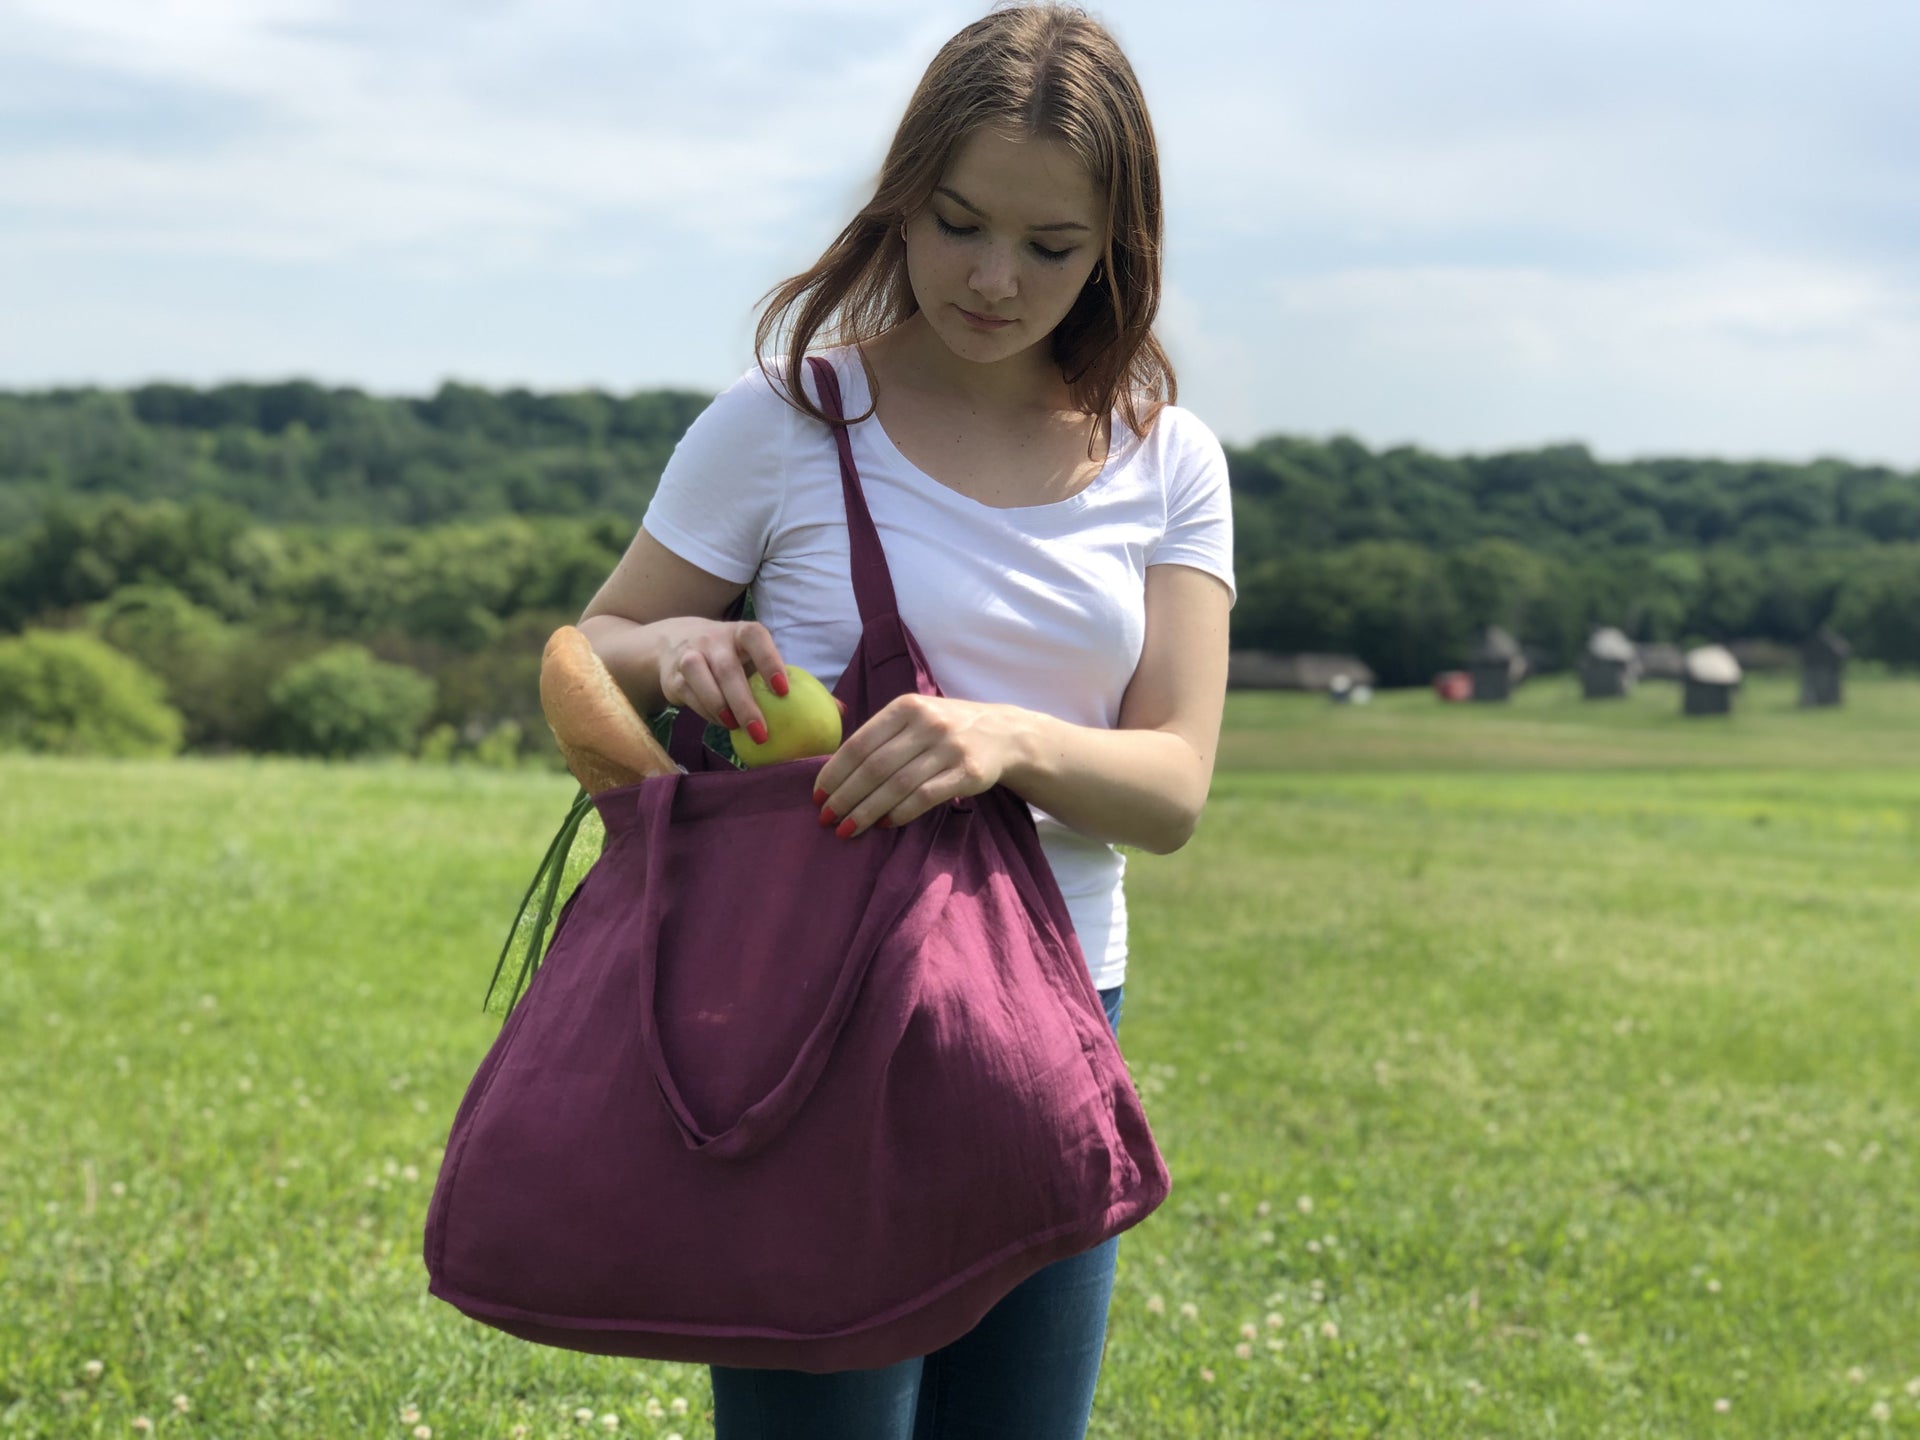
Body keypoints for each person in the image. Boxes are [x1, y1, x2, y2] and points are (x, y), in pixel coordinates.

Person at [574, 5, 1235, 1436]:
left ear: (1119, 245)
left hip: (1058, 1019)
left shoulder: (1168, 460)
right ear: (901, 199)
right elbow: (593, 643)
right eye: (957, 224)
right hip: (804, 1009)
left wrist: (1005, 739)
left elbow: (1175, 786)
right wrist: (680, 641)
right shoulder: (788, 420)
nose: (995, 279)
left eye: (1052, 247)